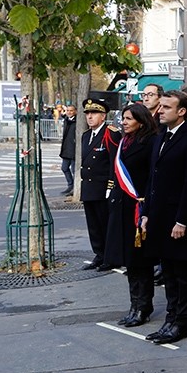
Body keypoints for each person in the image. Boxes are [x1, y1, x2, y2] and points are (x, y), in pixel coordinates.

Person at [140, 90, 187, 344]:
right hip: (159, 215)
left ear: (182, 112)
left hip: (179, 218)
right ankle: (170, 320)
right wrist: (146, 213)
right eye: (161, 107)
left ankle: (182, 322)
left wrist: (182, 221)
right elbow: (152, 179)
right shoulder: (160, 138)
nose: (160, 111)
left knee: (182, 272)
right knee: (168, 271)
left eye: (167, 107)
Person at [105, 103, 158, 327]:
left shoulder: (150, 142)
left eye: (128, 119)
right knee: (130, 261)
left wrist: (146, 207)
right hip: (123, 206)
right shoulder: (123, 142)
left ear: (141, 120)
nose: (124, 122)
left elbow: (151, 177)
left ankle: (143, 306)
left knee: (140, 261)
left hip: (140, 205)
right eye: (123, 118)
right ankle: (134, 304)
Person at [80, 98, 121, 271]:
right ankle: (99, 254)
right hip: (89, 187)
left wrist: (111, 186)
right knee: (93, 225)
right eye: (88, 113)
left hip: (103, 186)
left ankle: (110, 257)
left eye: (94, 113)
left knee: (106, 224)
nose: (89, 117)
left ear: (103, 116)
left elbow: (114, 162)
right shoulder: (86, 135)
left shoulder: (110, 133)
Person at [59, 104, 77, 195]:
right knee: (64, 168)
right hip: (66, 149)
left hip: (74, 150)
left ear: (75, 111)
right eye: (68, 110)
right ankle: (70, 185)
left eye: (71, 110)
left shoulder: (77, 121)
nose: (69, 112)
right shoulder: (66, 120)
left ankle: (74, 187)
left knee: (74, 170)